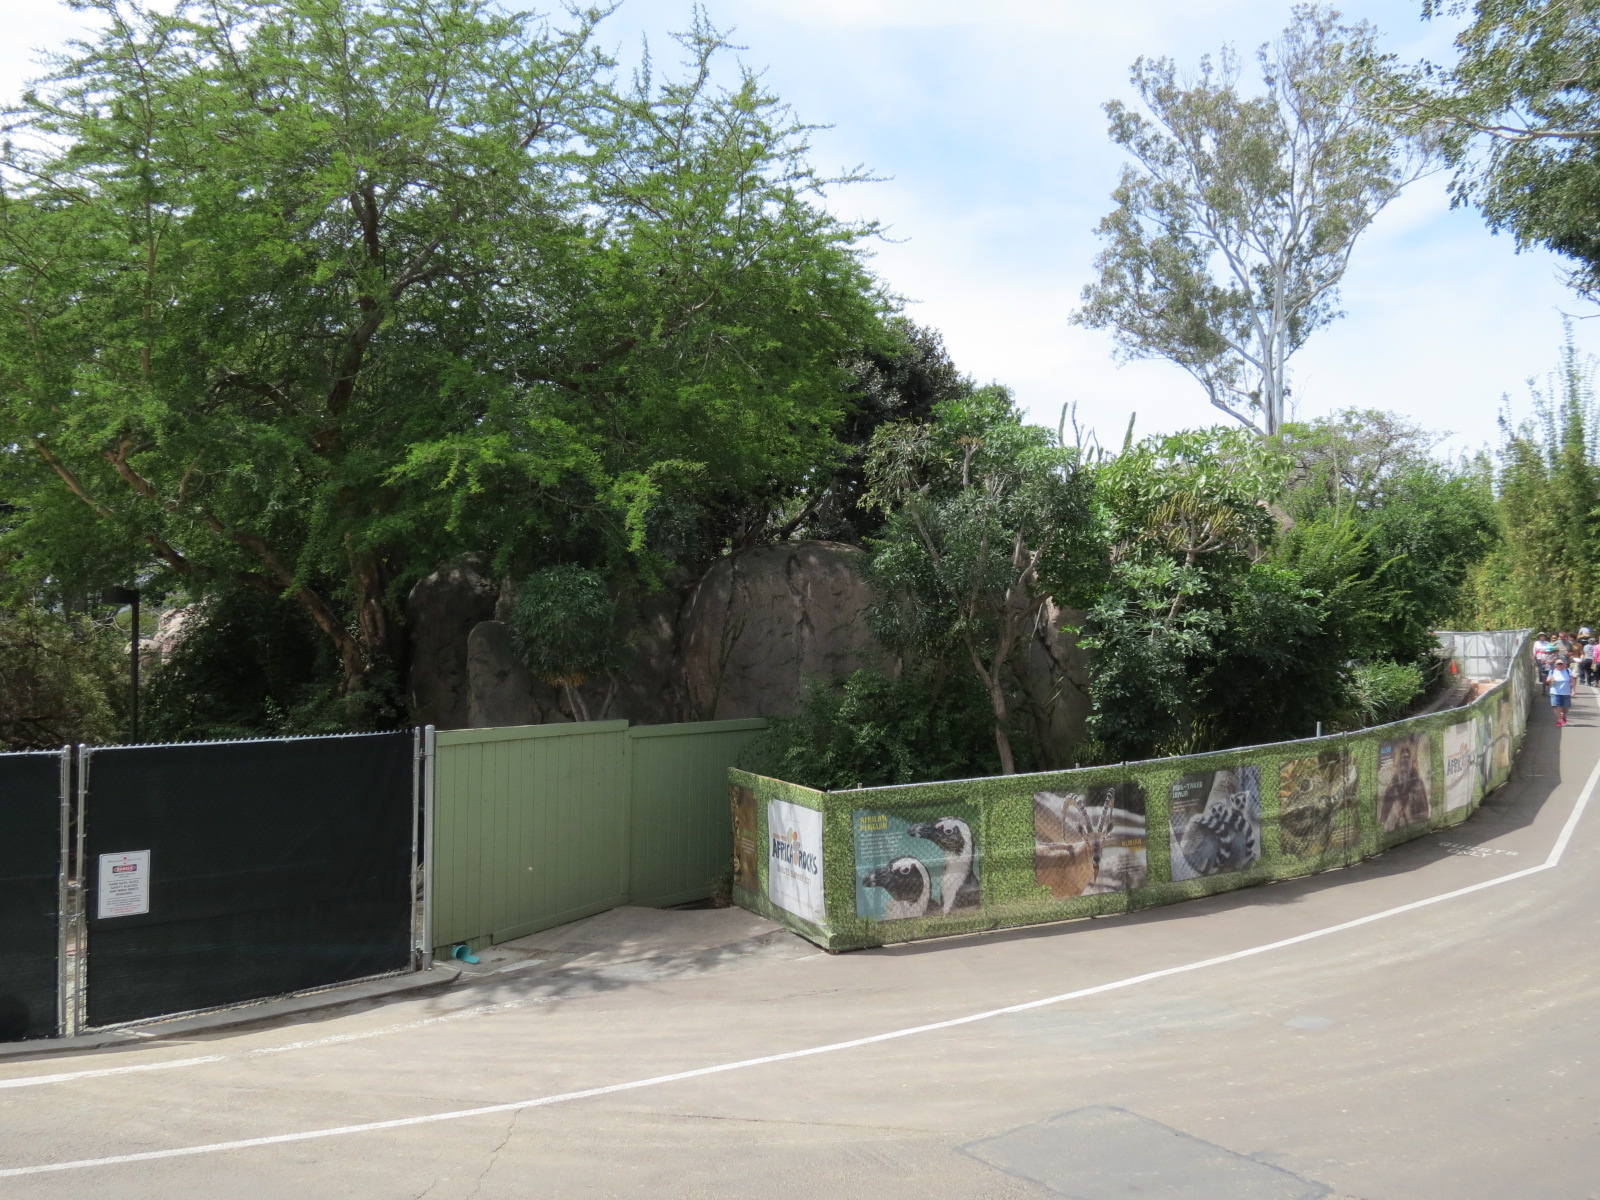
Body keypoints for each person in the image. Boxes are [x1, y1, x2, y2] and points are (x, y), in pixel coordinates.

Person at [1549, 657, 1575, 727]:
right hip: (1555, 692)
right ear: (1556, 665)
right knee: (1557, 707)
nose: (1560, 665)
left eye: (1561, 664)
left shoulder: (1568, 671)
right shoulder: (1552, 671)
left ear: (1564, 664)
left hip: (1566, 692)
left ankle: (1563, 715)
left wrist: (1573, 690)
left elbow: (1572, 681)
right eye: (1558, 664)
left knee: (1566, 708)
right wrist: (1551, 680)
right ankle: (1559, 720)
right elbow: (1547, 681)